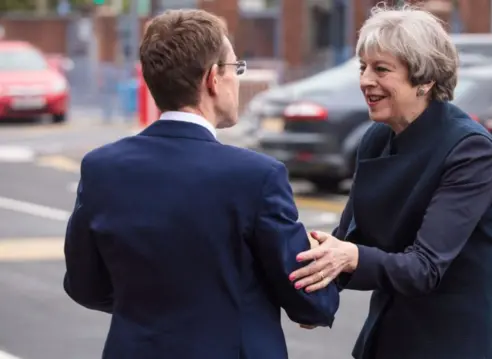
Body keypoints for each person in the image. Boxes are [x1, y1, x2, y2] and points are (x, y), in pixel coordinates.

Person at [62, 9, 339, 359]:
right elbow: (310, 301)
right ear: (212, 78)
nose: (237, 79)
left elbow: (84, 285)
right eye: (235, 68)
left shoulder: (101, 168)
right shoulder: (256, 176)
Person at [289, 5, 492, 359]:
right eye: (363, 67)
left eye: (381, 69)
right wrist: (317, 286)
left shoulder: (471, 152)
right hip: (391, 338)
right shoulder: (376, 139)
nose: (365, 80)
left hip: (456, 344)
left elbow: (424, 268)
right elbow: (350, 239)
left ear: (425, 80)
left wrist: (346, 258)